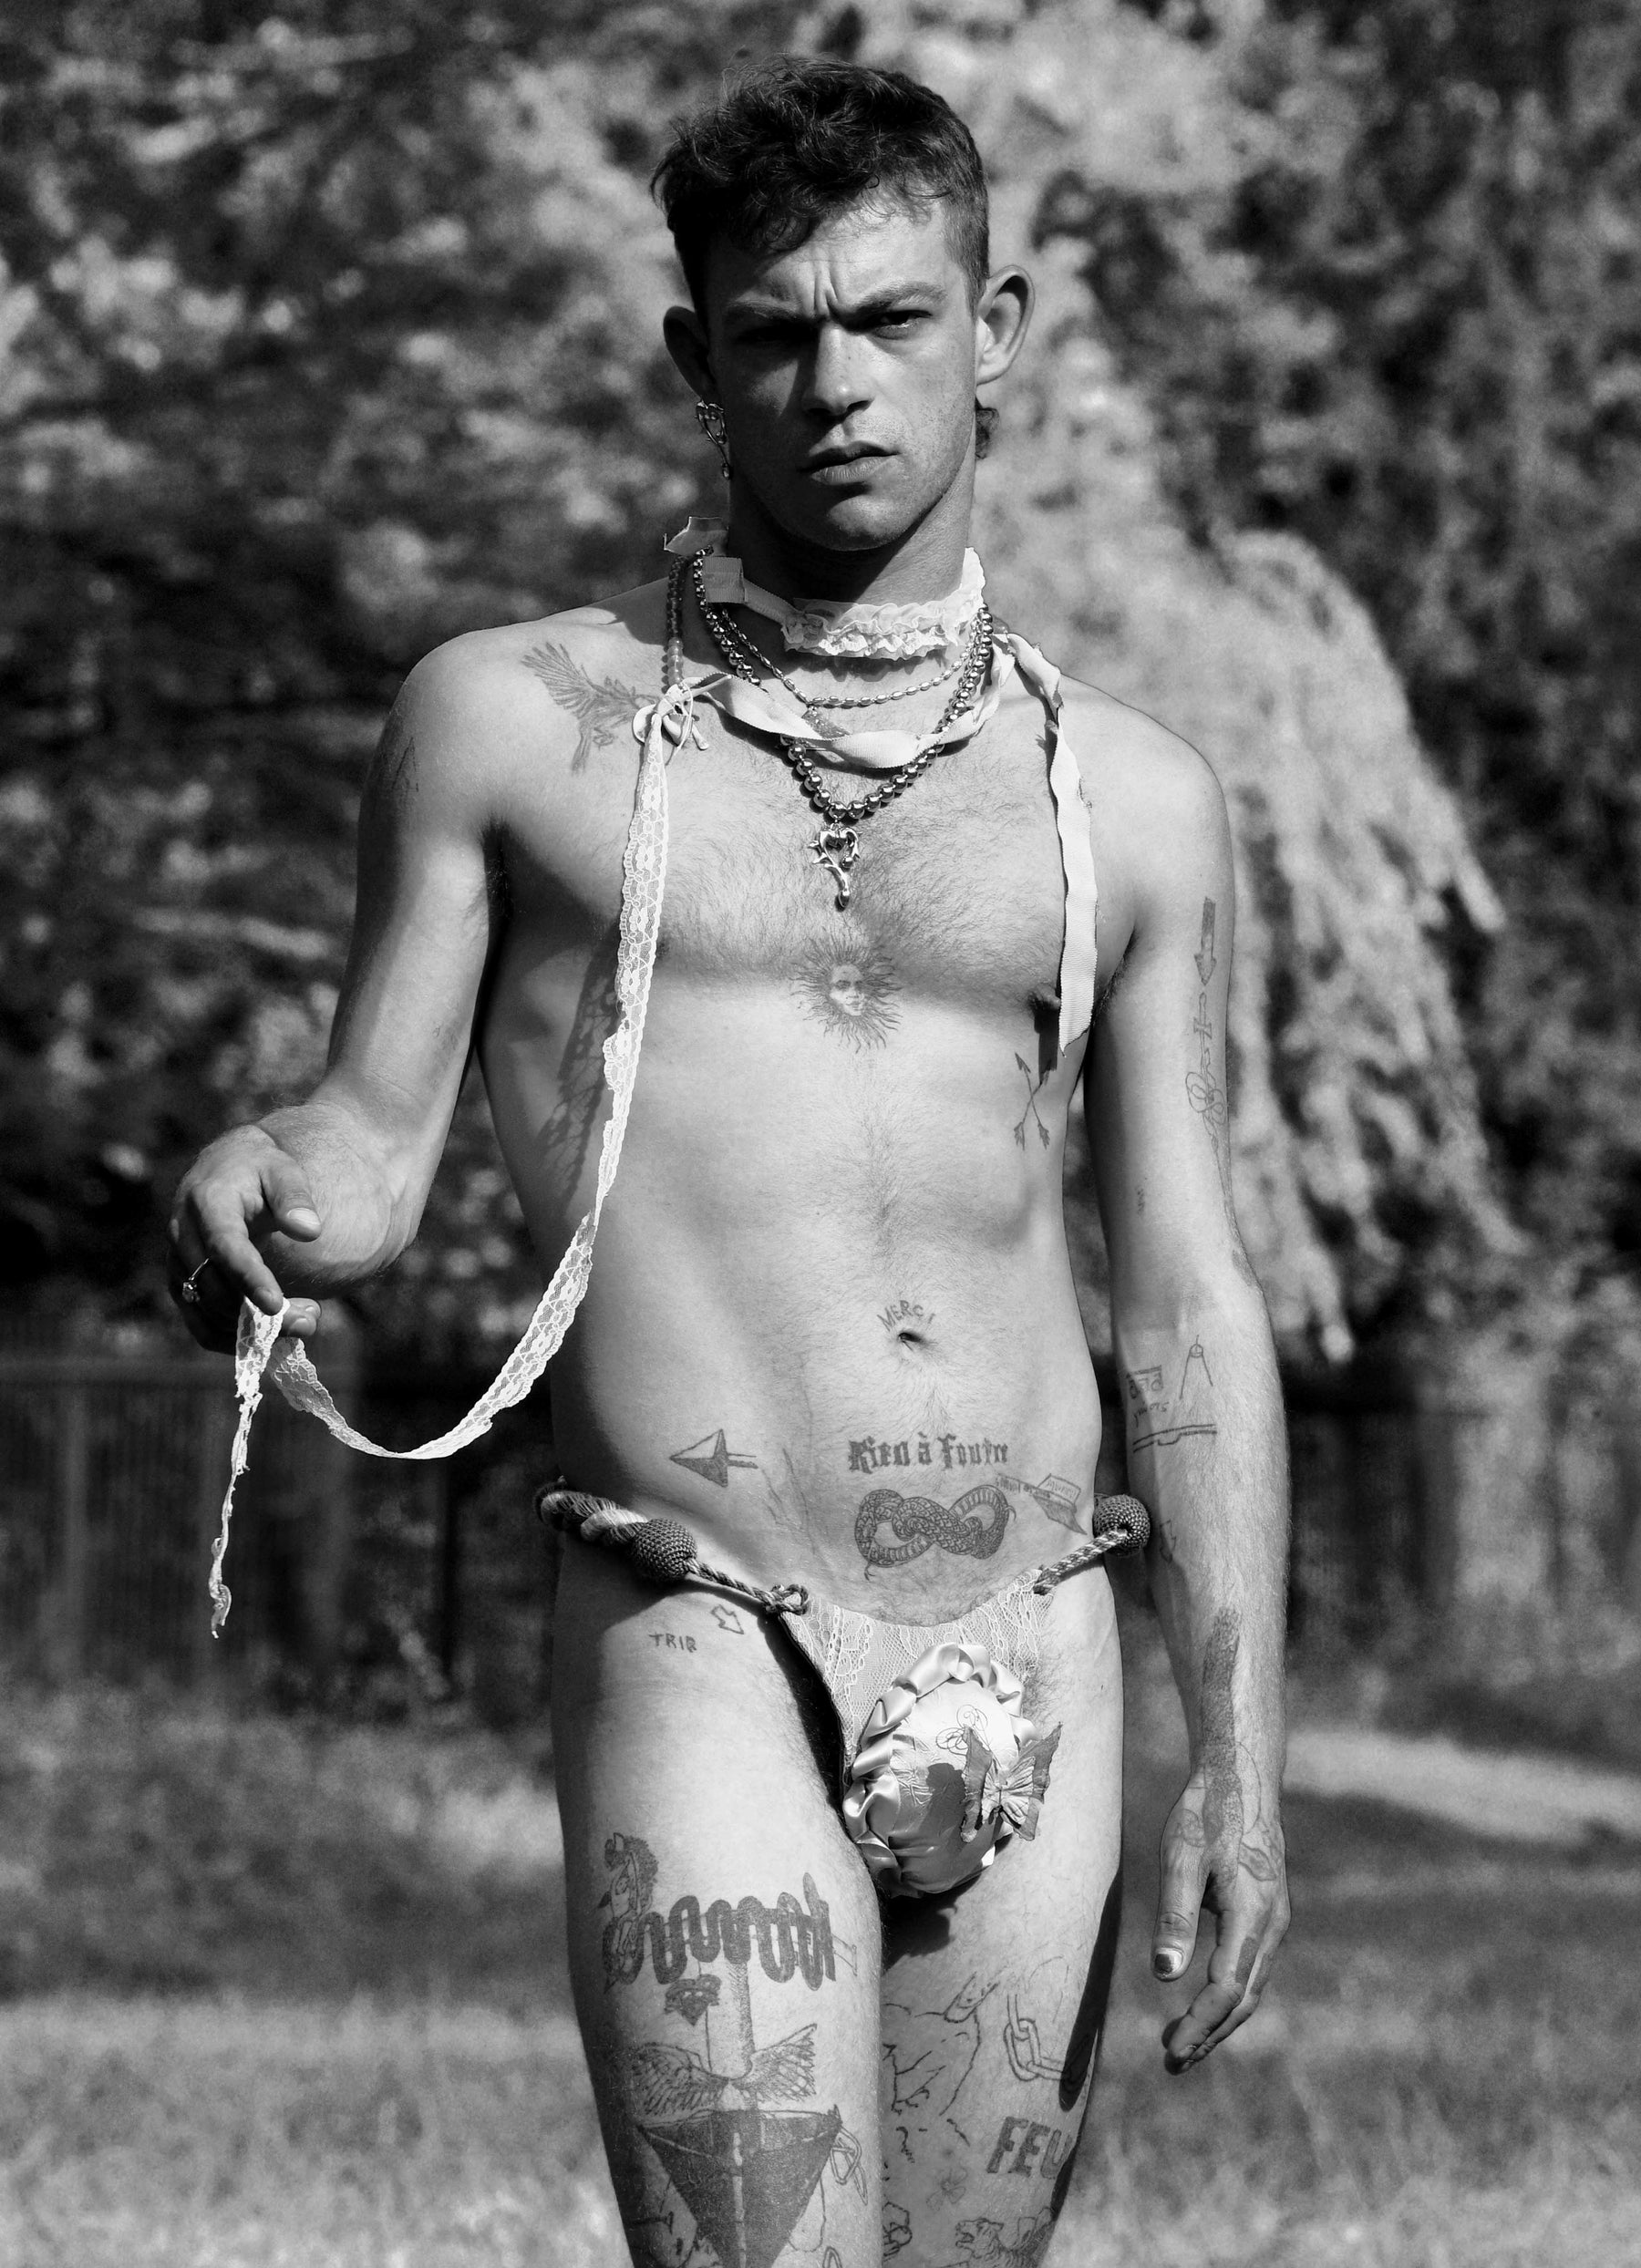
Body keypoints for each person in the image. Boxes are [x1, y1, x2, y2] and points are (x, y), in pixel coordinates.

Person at [169, 57, 1290, 2268]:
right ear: (698, 358)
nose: (836, 382)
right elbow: (364, 1149)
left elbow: (1185, 1297)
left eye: (891, 319)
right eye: (774, 332)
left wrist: (1241, 1760)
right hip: (703, 1620)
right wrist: (251, 1181)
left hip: (1037, 1641)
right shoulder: (516, 724)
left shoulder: (1139, 800)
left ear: (997, 330)